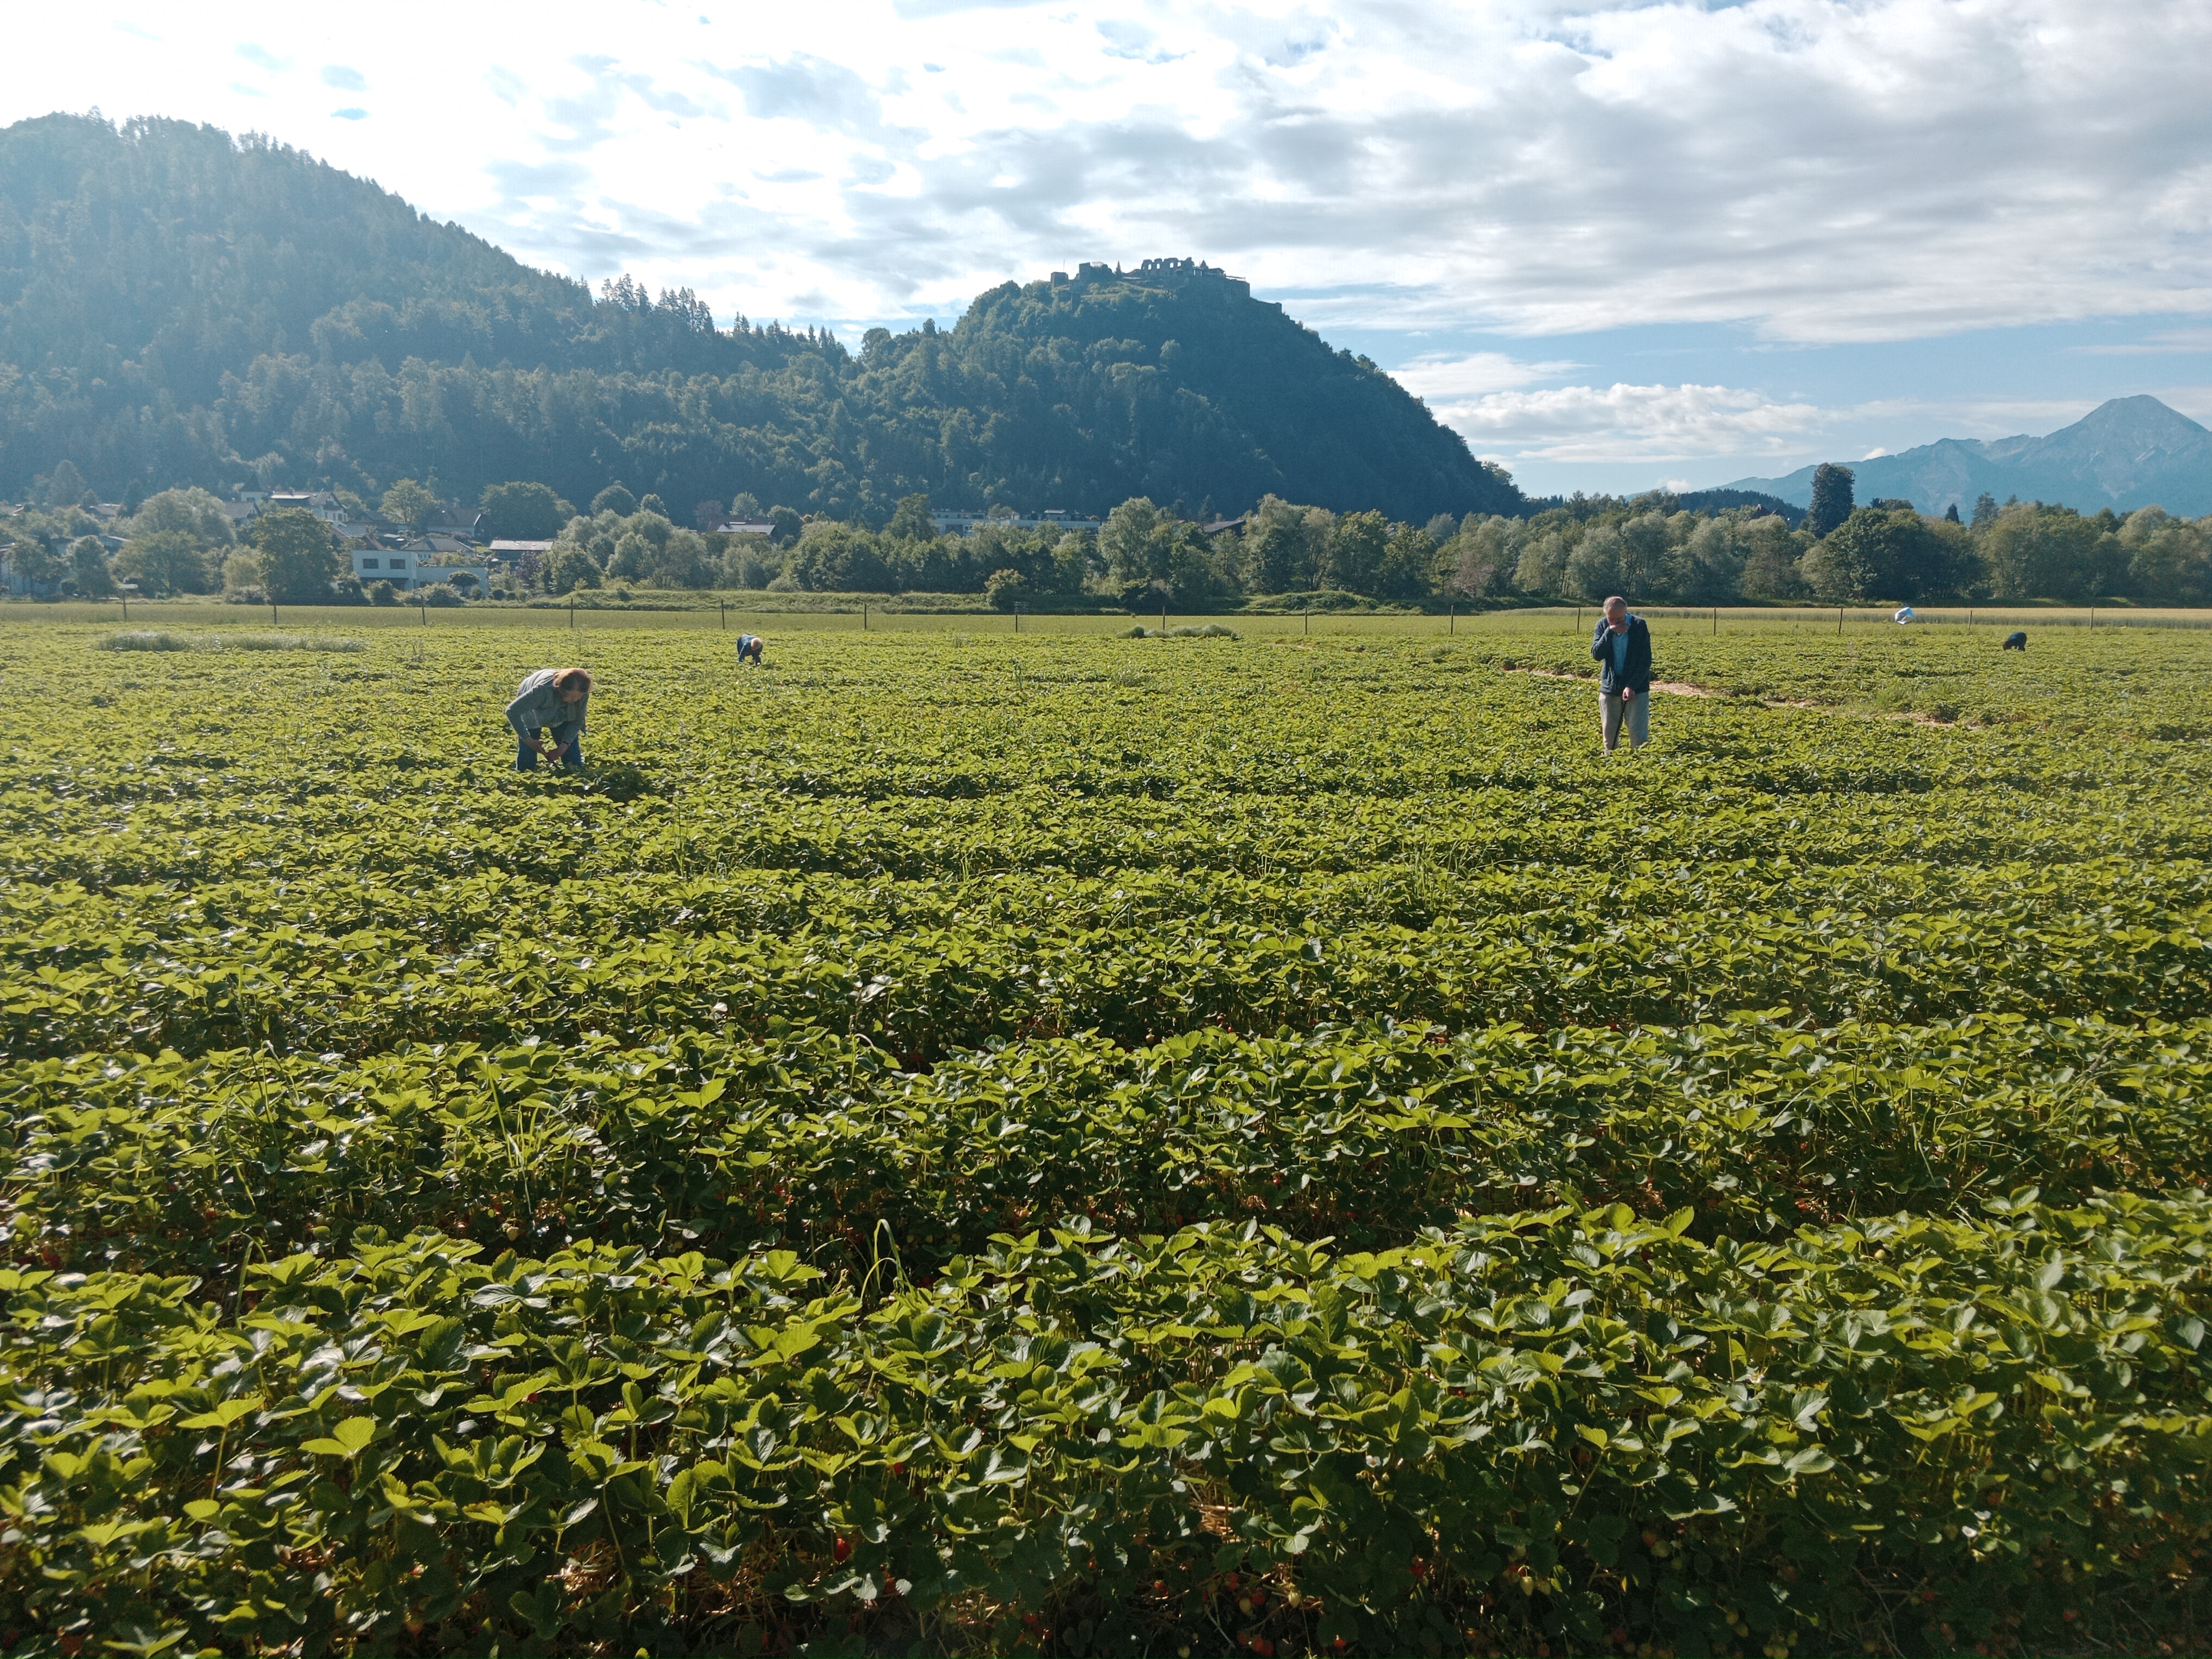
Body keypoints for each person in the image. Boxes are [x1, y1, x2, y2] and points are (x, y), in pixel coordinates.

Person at [1590, 595, 1651, 753]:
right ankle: (1611, 764)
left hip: (1637, 687)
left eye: (1620, 618)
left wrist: (1632, 686)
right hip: (1610, 686)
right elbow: (1597, 654)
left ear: (1626, 612)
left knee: (1638, 734)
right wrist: (1609, 632)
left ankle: (1640, 763)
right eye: (1612, 619)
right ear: (1606, 614)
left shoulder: (1639, 625)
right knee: (1609, 737)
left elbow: (1645, 661)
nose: (1617, 622)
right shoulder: (1602, 625)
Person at [506, 666, 591, 770]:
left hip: (563, 715)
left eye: (580, 696)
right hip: (532, 705)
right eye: (573, 696)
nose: (577, 699)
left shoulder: (582, 694)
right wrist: (529, 740)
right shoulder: (542, 691)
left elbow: (578, 721)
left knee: (574, 763)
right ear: (562, 690)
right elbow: (512, 711)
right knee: (527, 758)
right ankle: (525, 774)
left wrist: (563, 747)